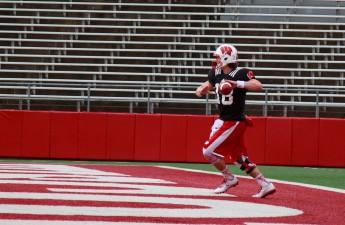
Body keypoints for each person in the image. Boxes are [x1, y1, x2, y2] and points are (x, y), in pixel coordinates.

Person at [195, 44, 276, 198]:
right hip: (223, 119)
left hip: (233, 121)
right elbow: (207, 84)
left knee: (208, 151)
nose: (216, 60)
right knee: (238, 157)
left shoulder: (241, 73)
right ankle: (265, 184)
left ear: (226, 57)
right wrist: (201, 89)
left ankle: (229, 178)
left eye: (218, 57)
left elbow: (258, 85)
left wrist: (237, 84)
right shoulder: (216, 72)